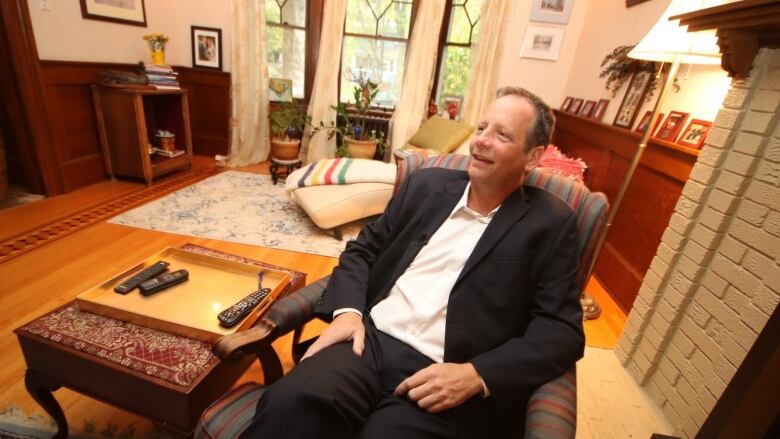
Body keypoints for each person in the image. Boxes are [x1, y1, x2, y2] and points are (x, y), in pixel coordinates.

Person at [242, 87, 584, 438]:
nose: (481, 140)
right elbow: (362, 251)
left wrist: (477, 374)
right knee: (292, 403)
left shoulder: (551, 224)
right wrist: (348, 312)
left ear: (532, 156)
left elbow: (561, 331)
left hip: (445, 374)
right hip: (368, 343)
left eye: (502, 134)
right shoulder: (424, 186)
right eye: (481, 127)